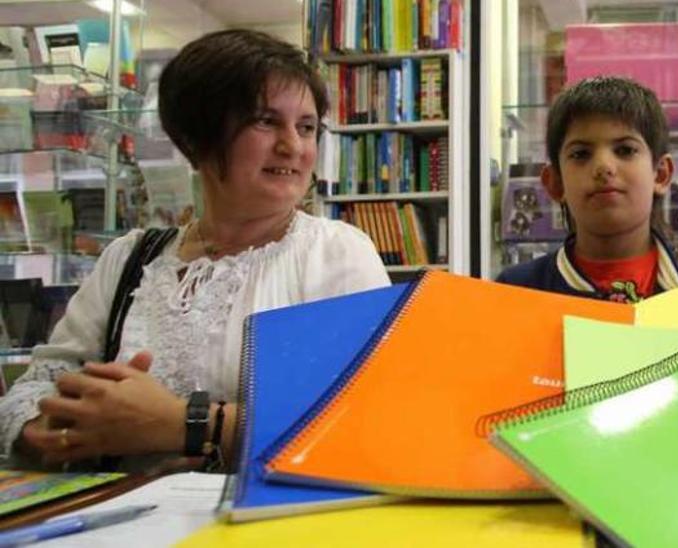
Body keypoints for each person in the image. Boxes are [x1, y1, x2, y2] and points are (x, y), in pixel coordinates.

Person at [0, 30, 389, 471]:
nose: (293, 146)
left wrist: (179, 423)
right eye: (265, 120)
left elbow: (366, 422)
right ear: (198, 136)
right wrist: (61, 432)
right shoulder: (129, 259)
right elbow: (36, 388)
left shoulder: (336, 254)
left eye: (306, 127)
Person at [497, 76, 678, 303]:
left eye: (625, 150)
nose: (604, 167)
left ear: (661, 173)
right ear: (555, 183)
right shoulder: (515, 293)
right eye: (581, 154)